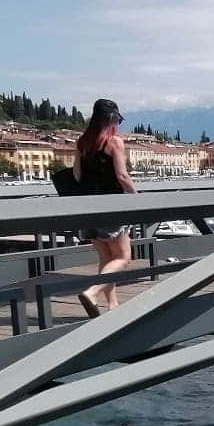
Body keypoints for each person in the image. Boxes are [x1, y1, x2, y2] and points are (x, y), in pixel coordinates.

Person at [75, 99, 136, 318]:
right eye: (118, 120)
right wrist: (137, 198)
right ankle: (92, 292)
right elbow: (122, 176)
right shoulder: (114, 142)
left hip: (88, 209)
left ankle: (112, 304)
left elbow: (77, 176)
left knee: (106, 258)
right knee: (123, 258)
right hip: (112, 208)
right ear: (111, 119)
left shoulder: (83, 142)